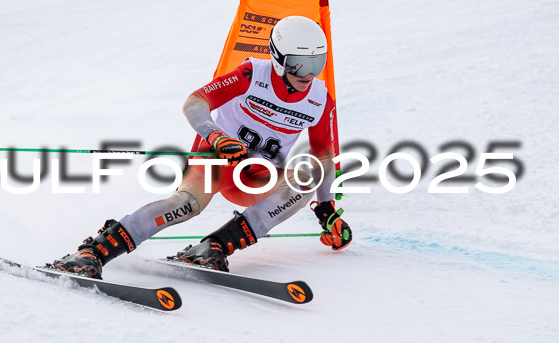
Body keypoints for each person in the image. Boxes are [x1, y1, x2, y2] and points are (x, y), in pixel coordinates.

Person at [52, 15, 353, 278]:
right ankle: (93, 252)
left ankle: (214, 248)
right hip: (215, 161)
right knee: (187, 205)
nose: (308, 74)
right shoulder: (252, 74)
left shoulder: (319, 100)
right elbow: (195, 102)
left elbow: (324, 156)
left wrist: (327, 212)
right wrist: (216, 136)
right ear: (277, 58)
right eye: (298, 64)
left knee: (306, 179)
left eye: (317, 62)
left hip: (256, 176)